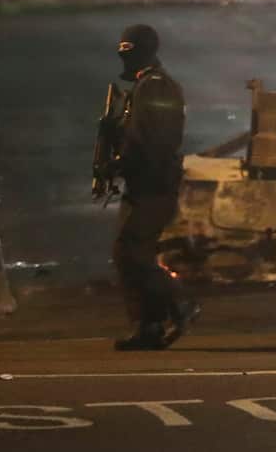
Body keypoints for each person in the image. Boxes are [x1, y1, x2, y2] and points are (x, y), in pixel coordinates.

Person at [108, 24, 200, 350]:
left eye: (128, 52)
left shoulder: (157, 86)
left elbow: (155, 140)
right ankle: (148, 325)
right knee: (128, 252)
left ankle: (177, 303)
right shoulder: (146, 85)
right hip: (144, 183)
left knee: (131, 250)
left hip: (154, 183)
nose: (124, 59)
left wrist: (124, 161)